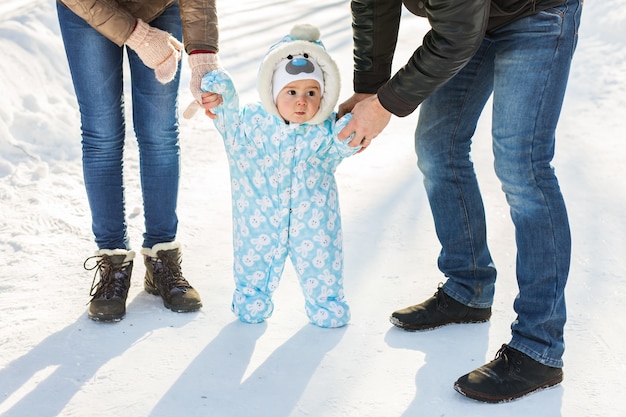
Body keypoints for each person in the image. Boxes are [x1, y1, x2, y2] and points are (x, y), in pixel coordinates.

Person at [337, 0, 582, 403]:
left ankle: (540, 348)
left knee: (523, 166)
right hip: (473, 18)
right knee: (437, 145)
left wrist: (383, 105)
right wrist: (370, 83)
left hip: (538, 13)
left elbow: (455, 37)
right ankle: (468, 288)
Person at [56, 0, 223, 322]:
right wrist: (139, 37)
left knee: (159, 132)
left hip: (160, 6)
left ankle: (162, 256)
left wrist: (204, 57)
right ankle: (113, 260)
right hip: (86, 9)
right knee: (101, 134)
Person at [189, 24, 359, 328]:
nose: (301, 101)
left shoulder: (323, 130)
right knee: (253, 259)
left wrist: (349, 135)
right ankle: (251, 300)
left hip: (314, 218)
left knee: (323, 260)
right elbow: (229, 125)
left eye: (312, 92)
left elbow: (339, 145)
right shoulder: (253, 125)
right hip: (258, 216)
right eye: (291, 92)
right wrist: (224, 94)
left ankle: (327, 304)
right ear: (272, 92)